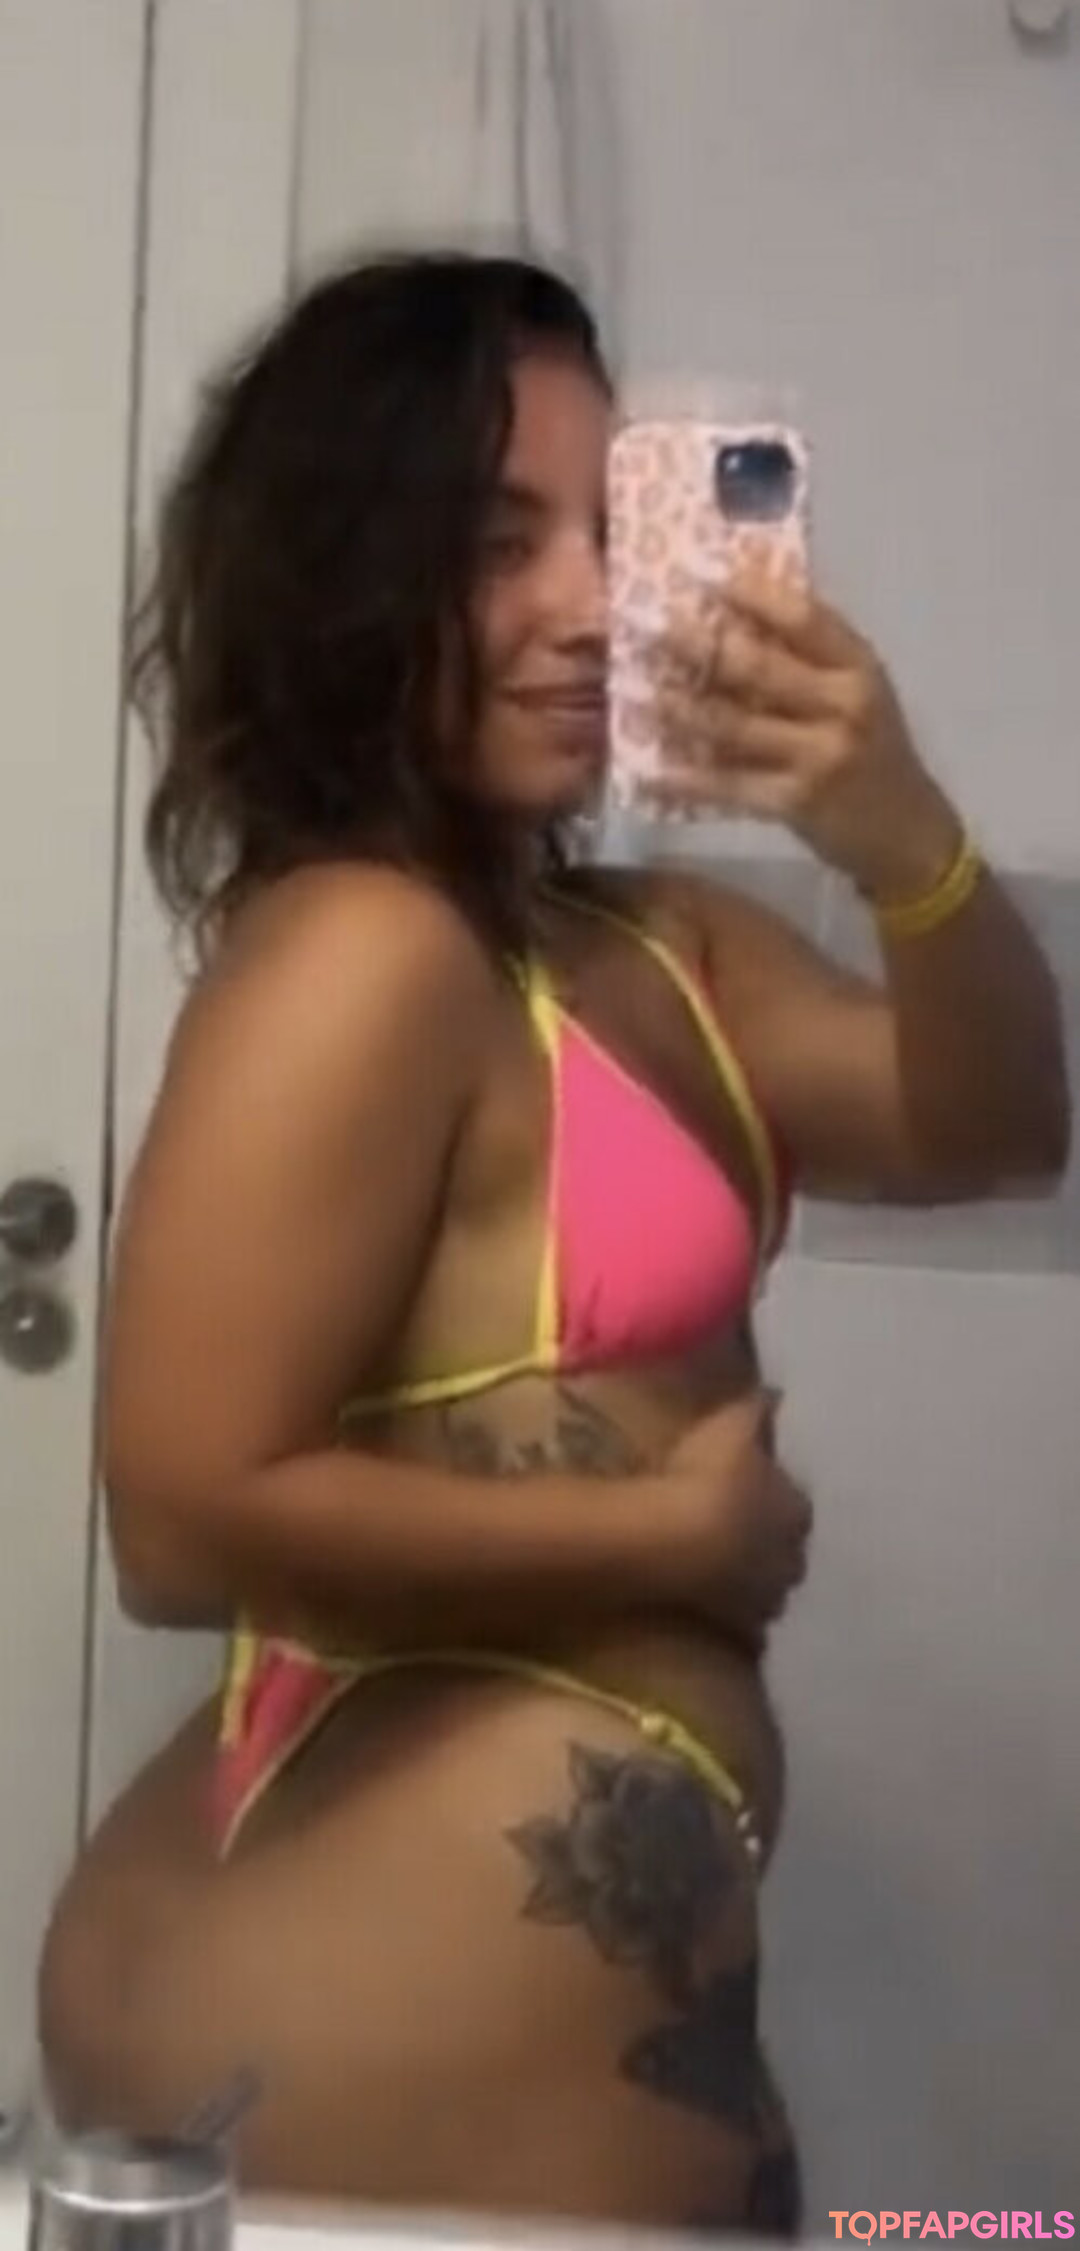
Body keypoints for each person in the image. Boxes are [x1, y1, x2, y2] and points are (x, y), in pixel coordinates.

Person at [38, 253, 1068, 2232]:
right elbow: (176, 1516)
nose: (590, 605)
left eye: (612, 530)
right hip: (349, 2049)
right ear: (351, 571)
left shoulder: (656, 949)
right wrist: (662, 1542)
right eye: (501, 542)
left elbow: (1003, 1128)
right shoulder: (361, 952)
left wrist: (901, 836)